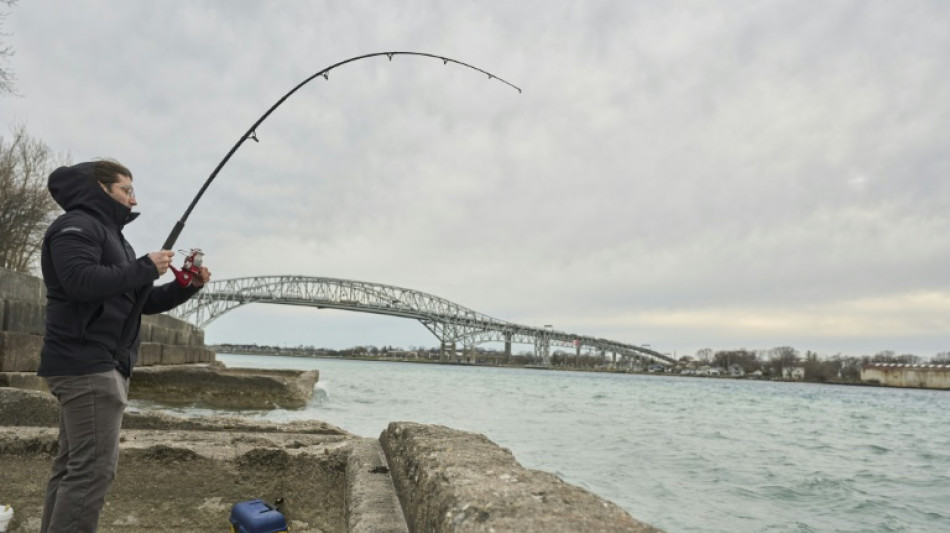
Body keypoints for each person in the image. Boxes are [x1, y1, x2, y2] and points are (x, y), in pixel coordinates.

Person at [37, 160, 211, 532]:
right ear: (101, 188)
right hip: (87, 365)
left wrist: (187, 286)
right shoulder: (77, 226)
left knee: (72, 466)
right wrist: (145, 266)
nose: (134, 199)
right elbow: (80, 281)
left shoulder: (109, 234)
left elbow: (138, 302)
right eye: (126, 190)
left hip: (98, 365)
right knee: (92, 472)